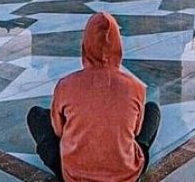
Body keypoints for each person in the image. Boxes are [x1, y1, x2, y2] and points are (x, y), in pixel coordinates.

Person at [27, 12, 161, 182]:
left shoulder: (65, 85)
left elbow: (58, 131)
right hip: (127, 175)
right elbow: (135, 131)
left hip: (73, 175)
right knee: (152, 110)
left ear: (85, 46)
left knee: (37, 115)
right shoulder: (136, 87)